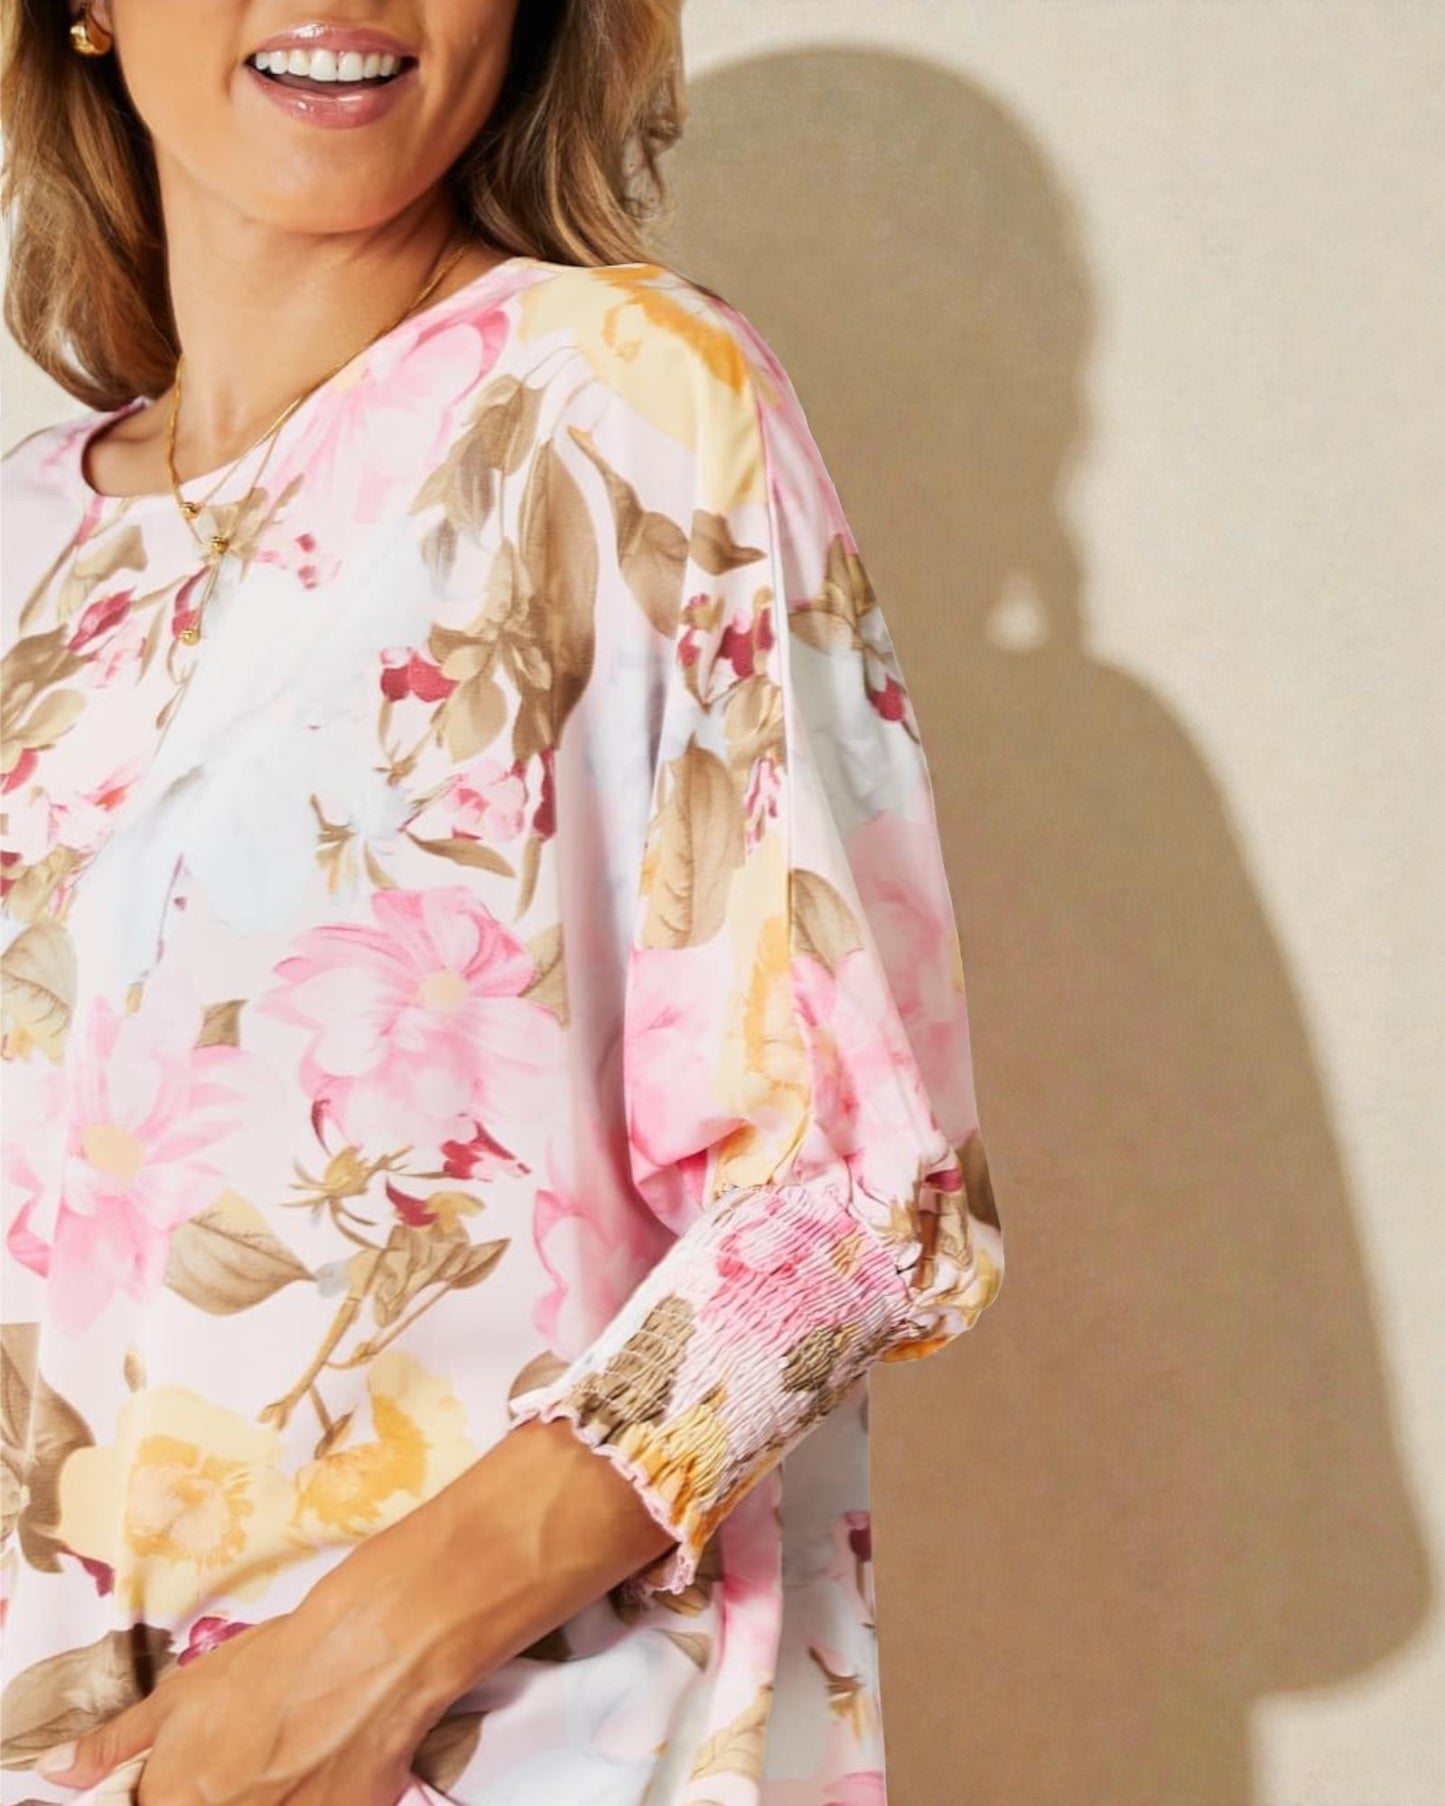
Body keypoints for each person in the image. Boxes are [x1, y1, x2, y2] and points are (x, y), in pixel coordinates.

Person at [0, 3, 1006, 1802]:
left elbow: (855, 1195)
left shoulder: (618, 401)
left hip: (497, 1743)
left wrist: (350, 1669)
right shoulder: (25, 545)